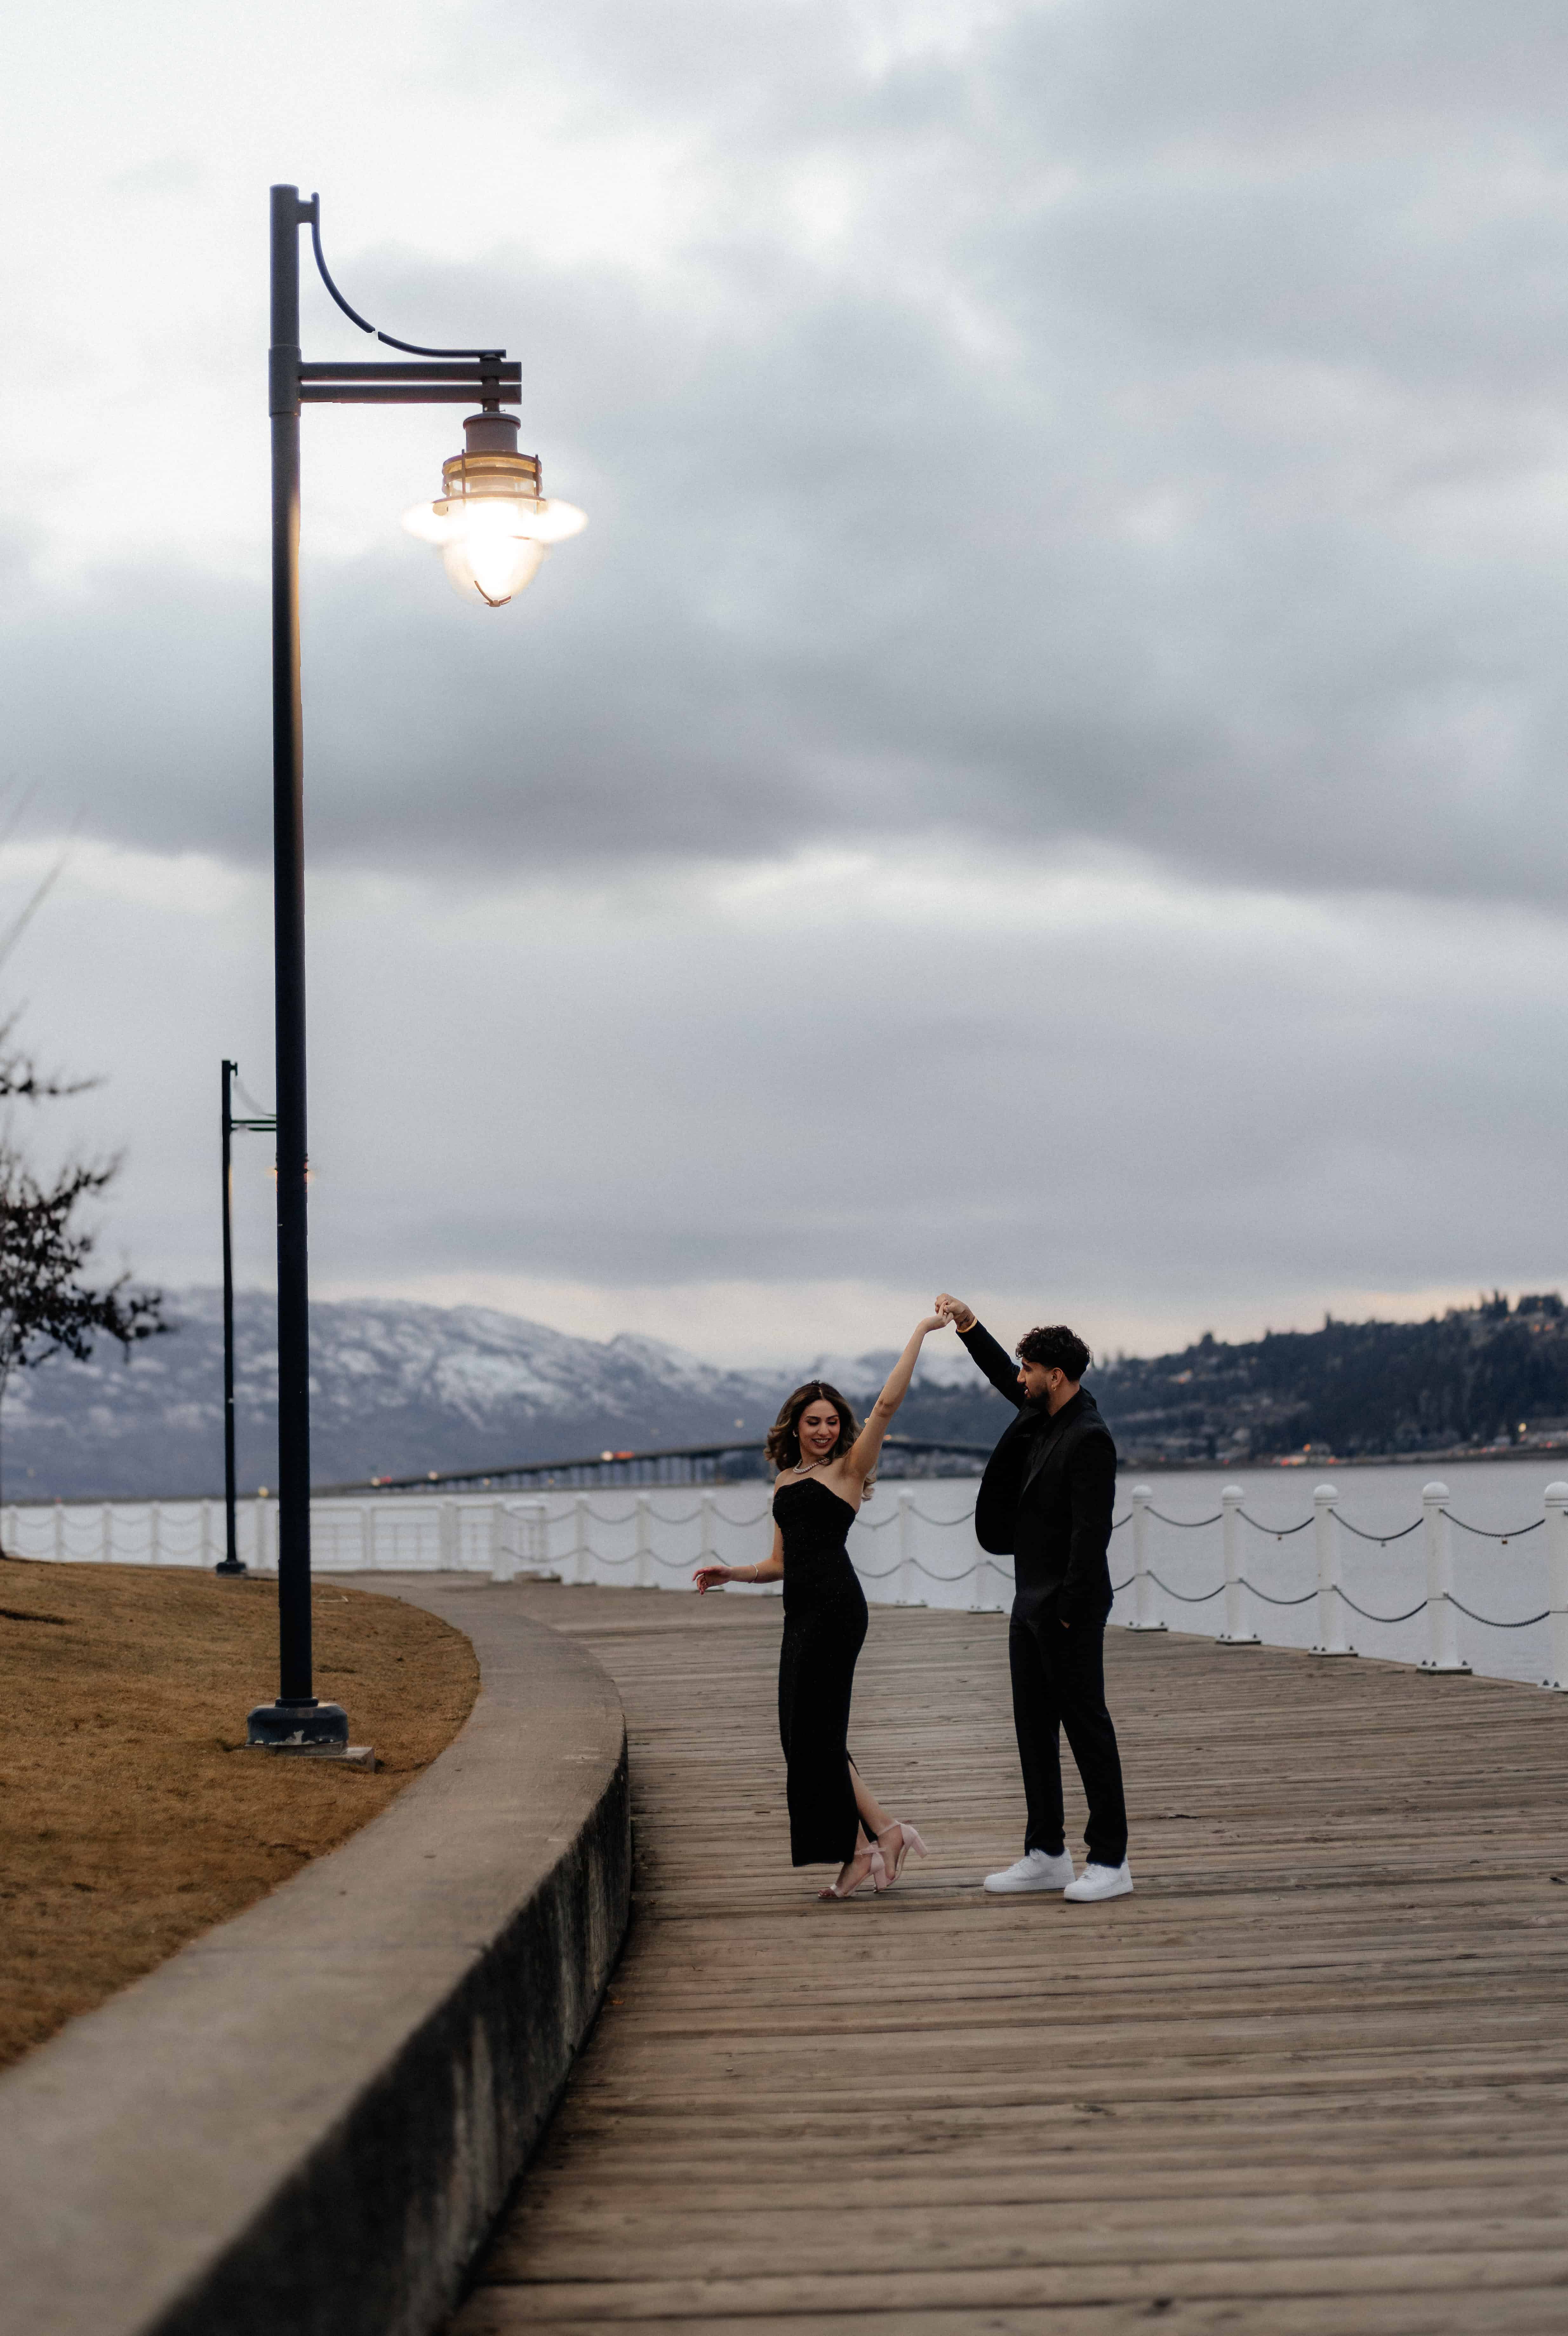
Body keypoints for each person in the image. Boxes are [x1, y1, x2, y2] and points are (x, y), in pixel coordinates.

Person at [693, 1319, 946, 1899]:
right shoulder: (785, 1480)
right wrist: (735, 1572)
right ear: (796, 1427)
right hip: (799, 1612)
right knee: (801, 1735)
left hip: (837, 1610)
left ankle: (869, 1846)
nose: (826, 1431)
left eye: (834, 1422)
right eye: (815, 1422)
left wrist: (920, 1332)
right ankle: (882, 1835)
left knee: (818, 1733)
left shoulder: (850, 1470)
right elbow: (781, 1562)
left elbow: (886, 1404)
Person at [935, 1294, 1131, 1903]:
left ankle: (1111, 1861)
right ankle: (1047, 1853)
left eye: (1028, 1371)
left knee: (1087, 1730)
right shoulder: (1043, 1414)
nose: (1019, 1380)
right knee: (1033, 1730)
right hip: (1029, 1601)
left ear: (1057, 1376)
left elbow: (1090, 1535)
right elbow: (1000, 1373)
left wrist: (1070, 1610)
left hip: (1068, 1609)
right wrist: (969, 1327)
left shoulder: (1090, 1437)